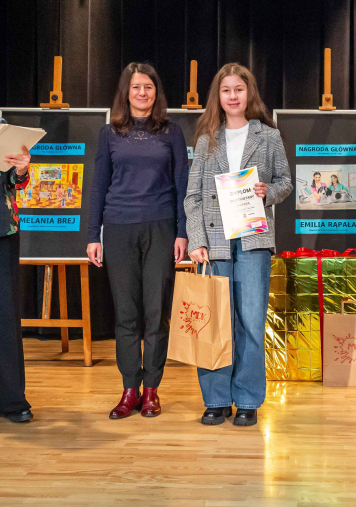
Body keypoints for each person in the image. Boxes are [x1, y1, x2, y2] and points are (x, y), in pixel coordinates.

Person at [185, 62, 292, 427]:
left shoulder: (268, 136)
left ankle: (247, 399)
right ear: (218, 96)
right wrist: (196, 240)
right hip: (214, 243)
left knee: (250, 322)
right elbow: (193, 197)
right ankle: (216, 399)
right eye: (226, 90)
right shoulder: (206, 139)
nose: (233, 96)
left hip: (252, 240)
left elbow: (285, 182)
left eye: (239, 89)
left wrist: (267, 192)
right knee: (214, 323)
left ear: (249, 94)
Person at [87, 63, 189, 420]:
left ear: (156, 92)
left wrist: (182, 231)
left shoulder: (172, 132)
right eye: (136, 87)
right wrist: (93, 234)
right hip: (118, 228)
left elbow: (183, 184)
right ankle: (129, 389)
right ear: (126, 92)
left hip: (161, 228)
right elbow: (98, 185)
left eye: (148, 87)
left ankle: (151, 391)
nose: (142, 93)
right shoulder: (109, 133)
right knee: (126, 314)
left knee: (156, 313)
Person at [0, 137, 33, 423]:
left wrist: (22, 169)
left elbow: (15, 180)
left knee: (5, 316)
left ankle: (12, 399)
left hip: (2, 231)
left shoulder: (3, 130)